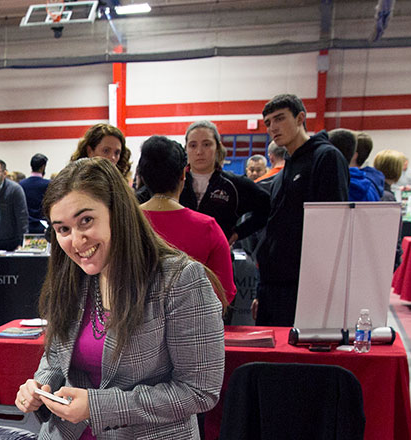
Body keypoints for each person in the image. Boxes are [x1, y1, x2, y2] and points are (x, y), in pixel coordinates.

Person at [13, 157, 224, 440]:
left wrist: (98, 406)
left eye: (86, 221)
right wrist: (40, 386)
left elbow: (199, 390)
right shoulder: (73, 276)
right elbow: (56, 356)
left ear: (118, 212)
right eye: (62, 229)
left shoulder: (179, 280)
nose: (76, 241)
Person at [252, 94, 349, 327]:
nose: (273, 127)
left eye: (279, 119)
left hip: (304, 288)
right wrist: (261, 290)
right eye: (268, 123)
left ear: (300, 118)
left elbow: (333, 227)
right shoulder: (287, 167)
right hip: (273, 286)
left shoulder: (326, 157)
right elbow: (274, 226)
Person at [136, 136, 235, 306]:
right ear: (183, 174)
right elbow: (225, 292)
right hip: (192, 327)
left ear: (143, 177)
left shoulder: (123, 223)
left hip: (134, 327)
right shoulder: (207, 228)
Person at [181, 120, 271, 243]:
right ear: (186, 148)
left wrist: (238, 233)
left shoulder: (234, 184)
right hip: (180, 257)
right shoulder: (174, 183)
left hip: (218, 257)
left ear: (217, 147)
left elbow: (267, 207)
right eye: (193, 145)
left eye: (206, 144)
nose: (199, 151)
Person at [0, 158, 29, 251]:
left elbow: (22, 218)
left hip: (12, 243)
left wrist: (22, 243)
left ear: (4, 173)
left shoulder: (15, 190)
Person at [22, 153, 50, 226]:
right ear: (43, 167)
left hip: (26, 224)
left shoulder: (21, 184)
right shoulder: (48, 184)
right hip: (43, 225)